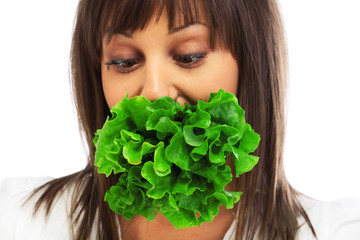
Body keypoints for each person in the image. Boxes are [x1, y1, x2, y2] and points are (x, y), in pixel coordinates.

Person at [0, 0, 359, 239]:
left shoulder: (339, 230)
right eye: (124, 61)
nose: (154, 90)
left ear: (252, 63)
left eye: (189, 56)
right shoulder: (16, 217)